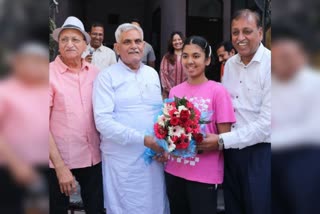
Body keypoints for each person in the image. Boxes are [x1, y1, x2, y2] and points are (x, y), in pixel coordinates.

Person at [92, 23, 169, 214]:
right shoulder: (106, 77)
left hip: (153, 158)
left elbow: (158, 114)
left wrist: (164, 144)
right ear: (117, 48)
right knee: (125, 207)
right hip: (122, 161)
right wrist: (143, 139)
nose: (134, 46)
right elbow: (103, 122)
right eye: (127, 42)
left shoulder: (152, 74)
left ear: (144, 46)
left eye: (138, 41)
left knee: (155, 205)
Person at [201, 9, 271, 214]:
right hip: (231, 153)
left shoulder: (273, 64)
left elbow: (267, 123)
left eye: (247, 31)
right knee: (233, 207)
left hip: (260, 154)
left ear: (260, 32)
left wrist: (222, 140)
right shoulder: (230, 65)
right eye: (235, 32)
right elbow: (224, 107)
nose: (240, 38)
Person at [164, 35, 236, 214]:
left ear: (208, 60)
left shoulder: (218, 91)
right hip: (174, 170)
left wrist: (201, 142)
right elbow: (168, 130)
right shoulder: (175, 91)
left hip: (204, 175)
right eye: (186, 56)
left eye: (196, 56)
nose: (190, 61)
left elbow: (225, 138)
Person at [49, 16, 104, 214]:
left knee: (96, 208)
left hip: (93, 158)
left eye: (75, 39)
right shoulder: (47, 74)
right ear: (59, 44)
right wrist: (60, 167)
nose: (69, 44)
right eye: (64, 40)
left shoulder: (96, 73)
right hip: (59, 161)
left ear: (85, 45)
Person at [272, 20, 320, 214]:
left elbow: (314, 130)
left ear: (301, 55)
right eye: (278, 57)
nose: (283, 62)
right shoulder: (271, 83)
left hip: (305, 155)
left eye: (287, 56)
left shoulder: (314, 83)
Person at [0, 41, 49, 214]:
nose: (35, 66)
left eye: (39, 61)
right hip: (10, 170)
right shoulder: (5, 90)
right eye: (30, 60)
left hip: (43, 168)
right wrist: (16, 165)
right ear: (18, 63)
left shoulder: (45, 88)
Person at [160, 31, 187, 99]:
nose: (177, 42)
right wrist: (172, 91)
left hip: (186, 94)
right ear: (171, 43)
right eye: (174, 40)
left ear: (183, 40)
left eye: (179, 39)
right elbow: (163, 75)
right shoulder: (167, 57)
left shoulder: (188, 56)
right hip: (169, 94)